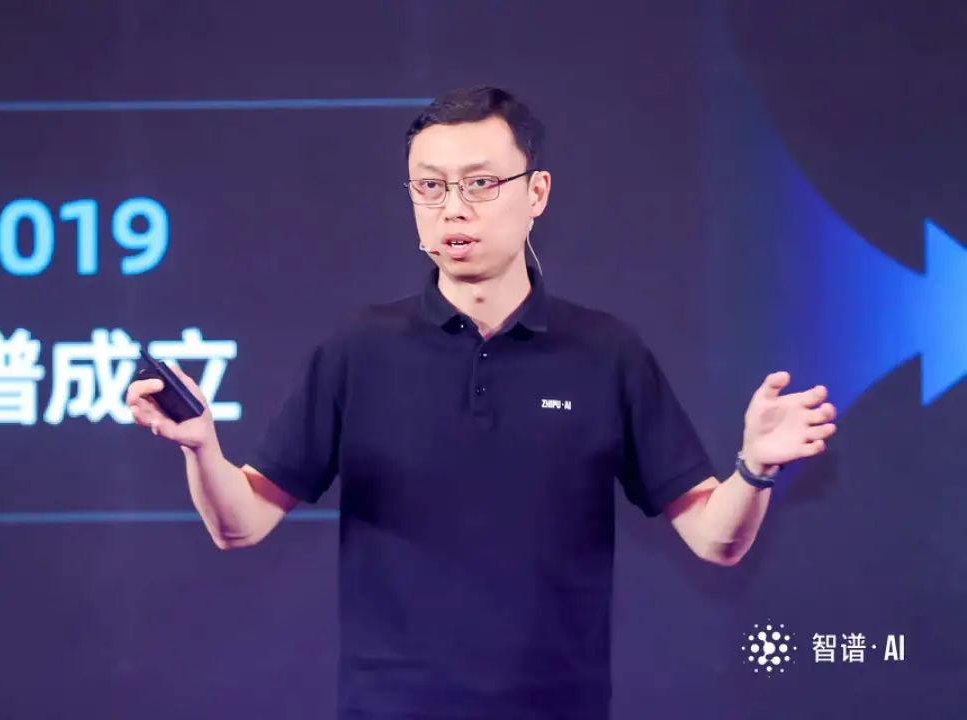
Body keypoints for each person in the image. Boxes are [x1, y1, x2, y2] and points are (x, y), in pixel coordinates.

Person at [126, 85, 838, 720]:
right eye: (429, 187)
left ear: (537, 193)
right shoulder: (359, 349)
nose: (453, 208)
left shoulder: (606, 352)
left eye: (480, 183)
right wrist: (203, 449)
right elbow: (241, 524)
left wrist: (754, 468)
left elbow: (716, 539)